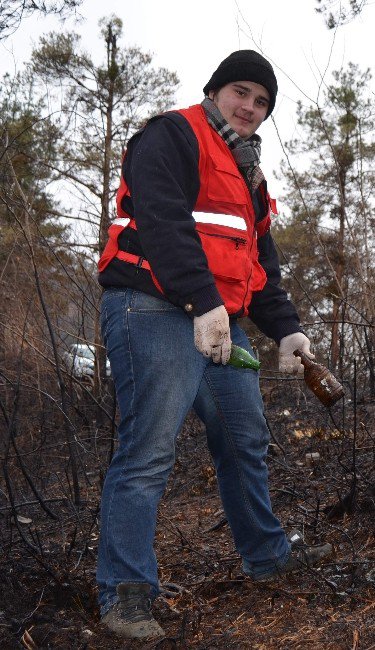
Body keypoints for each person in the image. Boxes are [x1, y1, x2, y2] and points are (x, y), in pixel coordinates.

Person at [97, 50, 332, 640]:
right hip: (152, 308)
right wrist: (203, 301)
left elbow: (258, 268)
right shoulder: (172, 134)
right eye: (242, 92)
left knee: (245, 437)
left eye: (262, 102)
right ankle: (126, 595)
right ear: (217, 90)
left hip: (215, 323)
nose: (250, 107)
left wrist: (288, 329)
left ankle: (267, 556)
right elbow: (164, 222)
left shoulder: (249, 175)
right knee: (148, 453)